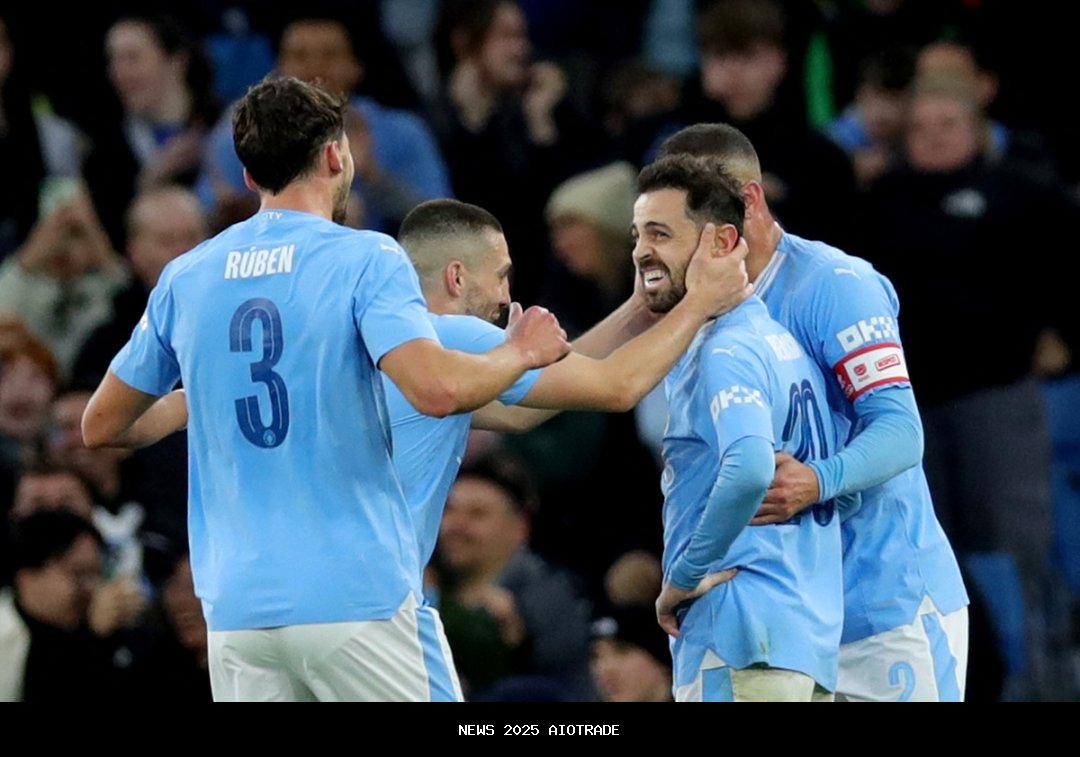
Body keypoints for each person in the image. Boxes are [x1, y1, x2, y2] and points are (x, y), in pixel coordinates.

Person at [78, 75, 571, 703]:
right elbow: (437, 391)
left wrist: (195, 399)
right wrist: (519, 352)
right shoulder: (366, 258)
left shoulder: (186, 274)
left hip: (237, 613)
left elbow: (103, 425)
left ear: (251, 176)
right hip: (352, 598)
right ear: (336, 156)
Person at [658, 123, 969, 701]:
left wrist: (817, 481)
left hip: (883, 603)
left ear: (748, 201)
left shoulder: (835, 286)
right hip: (789, 618)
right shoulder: (695, 306)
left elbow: (901, 430)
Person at [385, 197, 750, 573]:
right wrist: (702, 299)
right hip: (377, 591)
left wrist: (641, 308)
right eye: (500, 276)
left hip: (363, 583)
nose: (505, 297)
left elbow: (519, 413)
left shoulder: (393, 346)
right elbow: (617, 386)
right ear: (457, 278)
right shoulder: (451, 334)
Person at [632, 154, 843, 702]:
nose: (641, 251)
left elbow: (749, 468)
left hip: (741, 634)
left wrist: (684, 575)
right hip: (801, 641)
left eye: (660, 234)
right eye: (637, 235)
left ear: (724, 242)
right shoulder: (780, 343)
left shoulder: (726, 350)